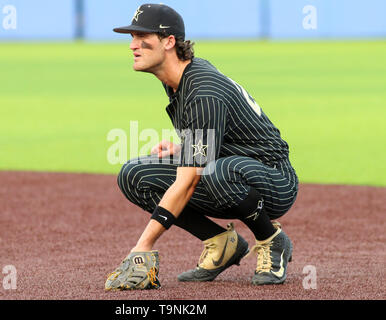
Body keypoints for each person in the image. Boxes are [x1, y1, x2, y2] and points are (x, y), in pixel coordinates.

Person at [105, 3, 299, 290]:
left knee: (212, 172)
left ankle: (271, 240)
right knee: (134, 175)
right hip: (234, 166)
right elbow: (215, 133)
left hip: (274, 179)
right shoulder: (179, 77)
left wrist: (142, 246)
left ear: (169, 41)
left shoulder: (202, 90)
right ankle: (222, 243)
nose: (133, 45)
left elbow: (187, 182)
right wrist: (189, 146)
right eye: (131, 37)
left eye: (142, 37)